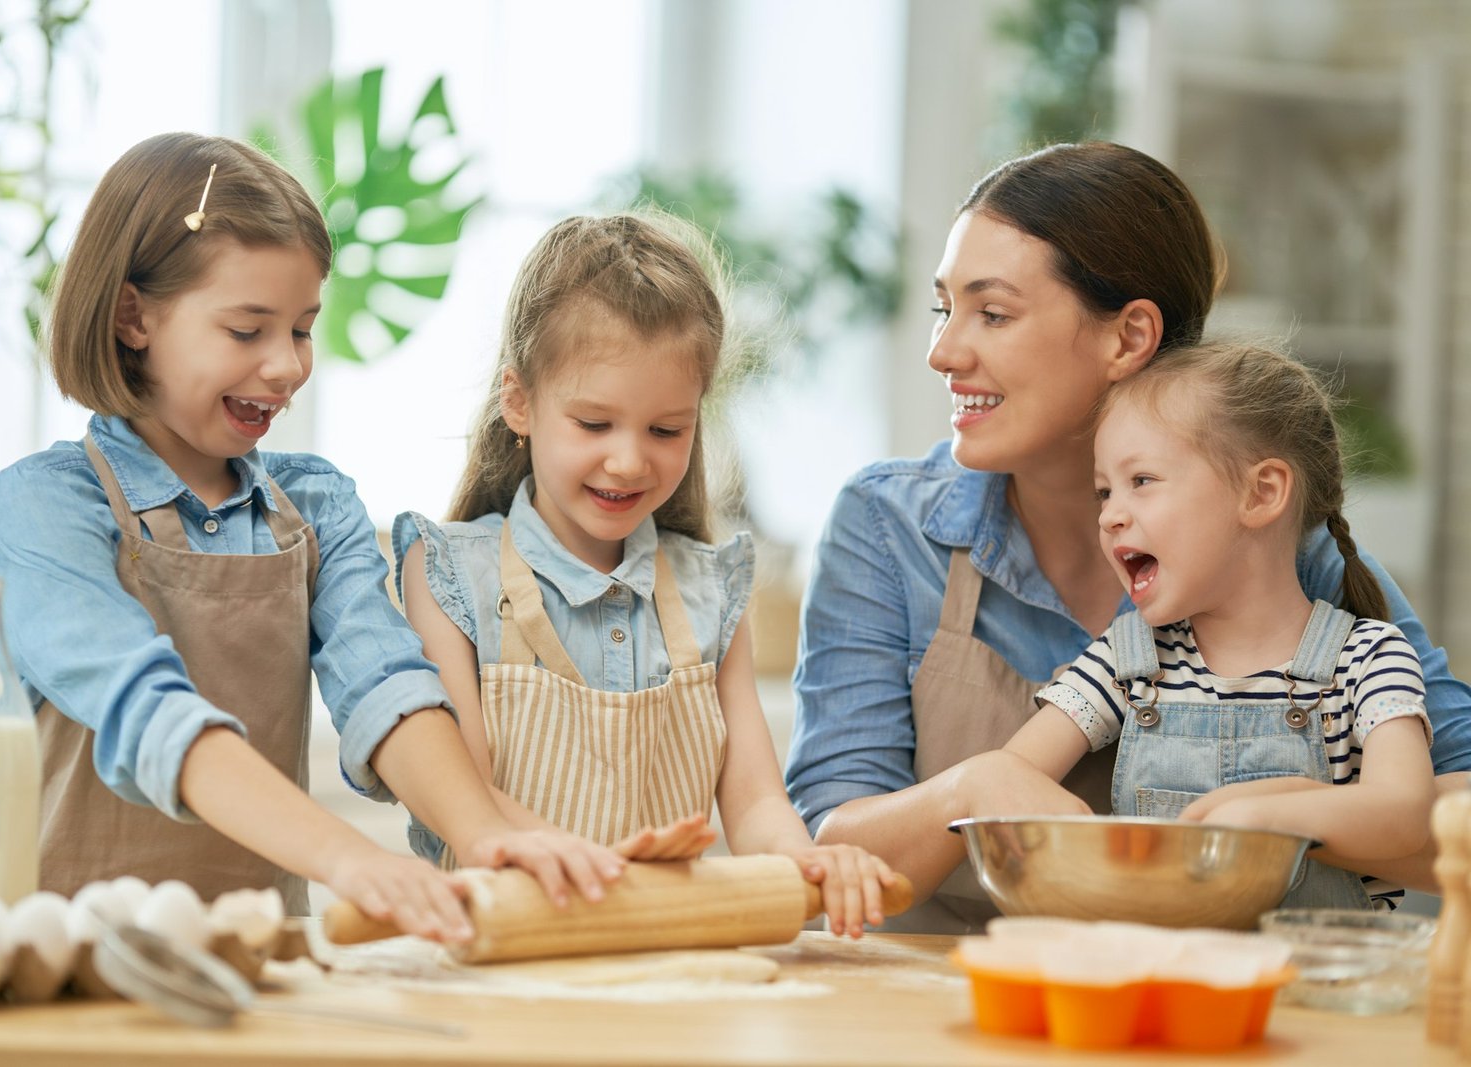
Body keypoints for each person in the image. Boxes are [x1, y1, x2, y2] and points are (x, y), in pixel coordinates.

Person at [785, 141, 1471, 932]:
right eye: (945, 307)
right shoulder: (886, 526)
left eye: (993, 312)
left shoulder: (1277, 546)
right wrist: (970, 790)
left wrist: (1290, 813)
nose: (943, 351)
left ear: (1129, 336)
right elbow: (831, 850)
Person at [0, 133, 625, 941]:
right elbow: (147, 711)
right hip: (69, 964)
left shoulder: (316, 504)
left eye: (301, 328)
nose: (287, 367)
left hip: (265, 960)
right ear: (132, 315)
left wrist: (487, 833)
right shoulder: (47, 505)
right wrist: (351, 859)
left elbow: (387, 686)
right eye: (248, 330)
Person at [395, 212, 898, 936]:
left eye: (667, 429)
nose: (630, 461)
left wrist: (811, 860)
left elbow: (755, 803)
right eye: (594, 424)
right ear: (520, 401)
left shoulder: (711, 589)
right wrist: (607, 871)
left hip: (663, 967)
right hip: (502, 970)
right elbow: (464, 795)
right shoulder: (447, 574)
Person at [1002, 339, 1434, 909]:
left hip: (1320, 989)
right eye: (1104, 491)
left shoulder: (1371, 660)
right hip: (1157, 979)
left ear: (1261, 493)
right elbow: (1010, 776)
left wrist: (1269, 814)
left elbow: (1406, 816)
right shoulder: (1126, 661)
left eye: (1143, 481)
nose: (1109, 514)